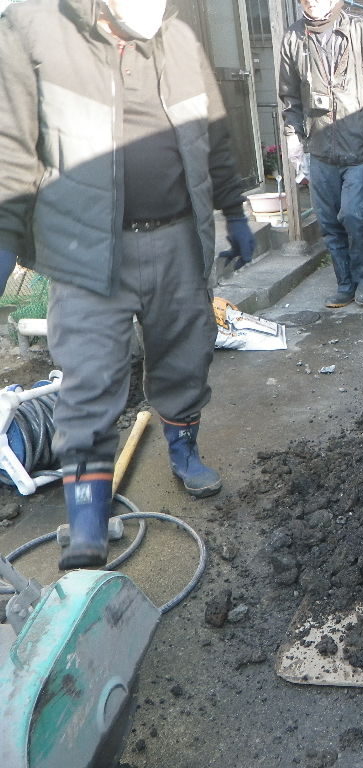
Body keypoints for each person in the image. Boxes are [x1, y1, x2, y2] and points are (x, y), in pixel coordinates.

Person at [0, 0, 256, 569]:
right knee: (89, 380)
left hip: (177, 239)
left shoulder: (178, 40)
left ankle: (184, 452)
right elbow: (9, 147)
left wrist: (234, 209)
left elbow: (213, 134)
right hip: (85, 250)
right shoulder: (34, 32)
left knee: (185, 355)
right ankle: (88, 517)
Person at [279, 0, 363, 309]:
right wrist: (293, 136)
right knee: (328, 221)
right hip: (320, 146)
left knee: (354, 215)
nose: (311, 1)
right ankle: (344, 284)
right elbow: (290, 95)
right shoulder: (294, 38)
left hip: (360, 144)